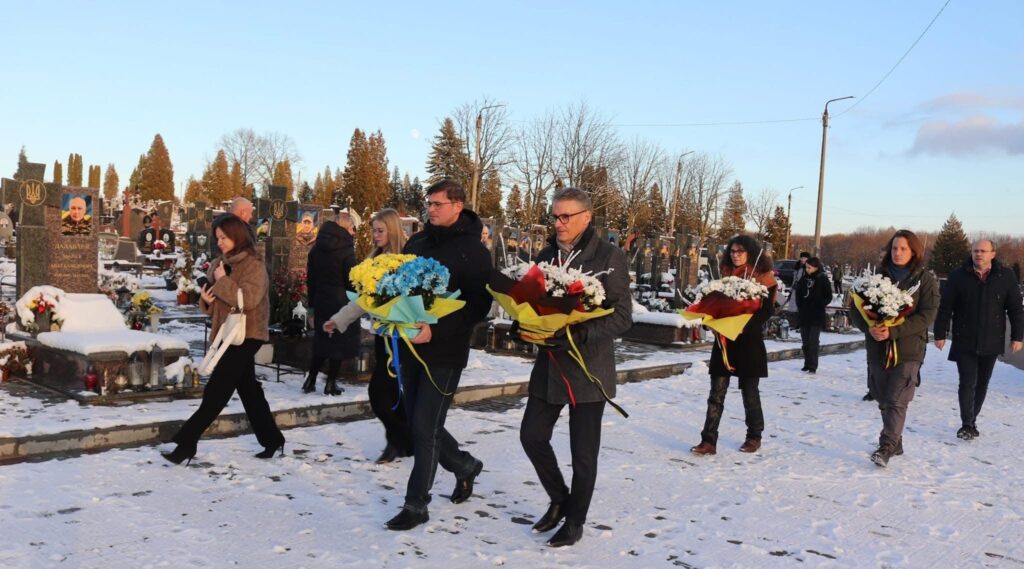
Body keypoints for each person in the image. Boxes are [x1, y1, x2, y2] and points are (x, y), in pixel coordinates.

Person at [518, 188, 632, 548]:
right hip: (550, 364)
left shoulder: (609, 256)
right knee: (532, 435)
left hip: (588, 368)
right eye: (555, 216)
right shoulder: (548, 254)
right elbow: (534, 301)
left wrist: (580, 333)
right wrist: (524, 325)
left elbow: (623, 317)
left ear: (586, 216)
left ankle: (575, 521)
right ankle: (559, 500)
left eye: (566, 216)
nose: (558, 223)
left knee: (583, 454)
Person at [383, 180, 492, 531]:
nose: (430, 209)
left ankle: (416, 505)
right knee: (420, 423)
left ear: (458, 206)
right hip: (411, 344)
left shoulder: (473, 251)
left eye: (438, 204)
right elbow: (401, 285)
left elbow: (478, 305)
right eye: (428, 203)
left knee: (424, 427)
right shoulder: (418, 241)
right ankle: (464, 466)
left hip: (445, 350)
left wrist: (438, 328)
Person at [163, 214, 284, 465]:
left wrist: (222, 281)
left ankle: (187, 443)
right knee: (249, 390)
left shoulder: (254, 264)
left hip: (247, 334)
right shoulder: (221, 262)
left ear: (236, 236)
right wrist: (206, 301)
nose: (219, 242)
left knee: (217, 389)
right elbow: (214, 299)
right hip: (227, 333)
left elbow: (249, 300)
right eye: (217, 238)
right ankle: (273, 440)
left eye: (224, 237)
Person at [324, 209, 414, 463]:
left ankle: (401, 441)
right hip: (383, 336)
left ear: (393, 231)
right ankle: (405, 443)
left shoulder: (405, 261)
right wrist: (339, 319)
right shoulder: (374, 259)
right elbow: (365, 299)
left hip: (400, 338)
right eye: (373, 230)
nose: (375, 235)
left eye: (380, 231)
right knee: (394, 395)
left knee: (378, 394)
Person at [850, 230, 938, 467]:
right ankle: (896, 440)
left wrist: (894, 331)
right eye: (895, 248)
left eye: (903, 249)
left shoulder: (924, 280)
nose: (898, 253)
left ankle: (886, 446)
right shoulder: (876, 277)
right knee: (882, 397)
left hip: (908, 350)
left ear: (914, 251)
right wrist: (869, 328)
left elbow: (927, 315)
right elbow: (855, 308)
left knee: (897, 399)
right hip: (877, 348)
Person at [691, 235, 777, 457]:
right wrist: (712, 321)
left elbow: (766, 311)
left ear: (750, 252)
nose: (736, 255)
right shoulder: (725, 277)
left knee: (749, 392)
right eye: (733, 251)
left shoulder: (763, 278)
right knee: (716, 393)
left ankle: (754, 435)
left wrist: (741, 325)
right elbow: (715, 305)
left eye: (740, 251)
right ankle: (708, 440)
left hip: (748, 343)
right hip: (724, 343)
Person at [933, 239, 1024, 440]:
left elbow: (1016, 309)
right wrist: (940, 333)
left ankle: (972, 419)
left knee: (982, 383)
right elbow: (946, 307)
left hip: (992, 340)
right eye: (975, 251)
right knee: (967, 382)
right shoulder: (958, 276)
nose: (979, 254)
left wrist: (1018, 336)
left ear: (993, 254)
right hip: (964, 338)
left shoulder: (1006, 276)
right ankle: (966, 424)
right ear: (971, 253)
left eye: (983, 251)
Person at [302, 210, 360, 396]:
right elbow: (352, 280)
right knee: (338, 343)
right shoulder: (346, 250)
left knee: (321, 340)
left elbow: (310, 279)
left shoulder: (316, 248)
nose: (353, 232)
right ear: (345, 228)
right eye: (352, 228)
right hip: (341, 301)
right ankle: (331, 383)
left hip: (320, 299)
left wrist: (311, 305)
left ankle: (310, 379)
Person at [795, 257, 833, 374]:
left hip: (816, 314)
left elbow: (828, 296)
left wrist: (820, 303)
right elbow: (799, 294)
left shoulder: (822, 278)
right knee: (805, 341)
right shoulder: (803, 279)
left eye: (809, 268)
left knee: (813, 340)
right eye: (806, 267)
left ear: (816, 267)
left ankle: (813, 365)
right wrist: (800, 305)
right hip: (804, 314)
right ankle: (807, 362)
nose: (807, 270)